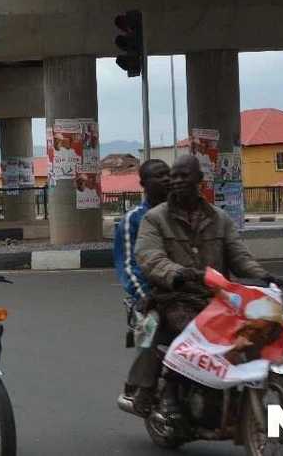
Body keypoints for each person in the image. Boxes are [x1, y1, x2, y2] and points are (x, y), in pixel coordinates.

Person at [135, 154, 283, 419]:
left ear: (200, 180)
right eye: (174, 176)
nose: (178, 181)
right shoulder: (155, 218)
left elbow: (239, 257)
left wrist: (264, 276)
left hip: (218, 299)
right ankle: (167, 389)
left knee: (258, 329)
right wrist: (178, 273)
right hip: (174, 296)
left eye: (184, 176)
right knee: (191, 334)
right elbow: (150, 256)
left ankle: (239, 387)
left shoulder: (220, 218)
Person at [112, 159, 169, 415]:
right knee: (152, 325)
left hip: (183, 293)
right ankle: (140, 387)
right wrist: (145, 295)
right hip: (148, 296)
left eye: (169, 174)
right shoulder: (133, 219)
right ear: (143, 184)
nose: (167, 180)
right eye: (159, 176)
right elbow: (128, 266)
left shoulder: (179, 215)